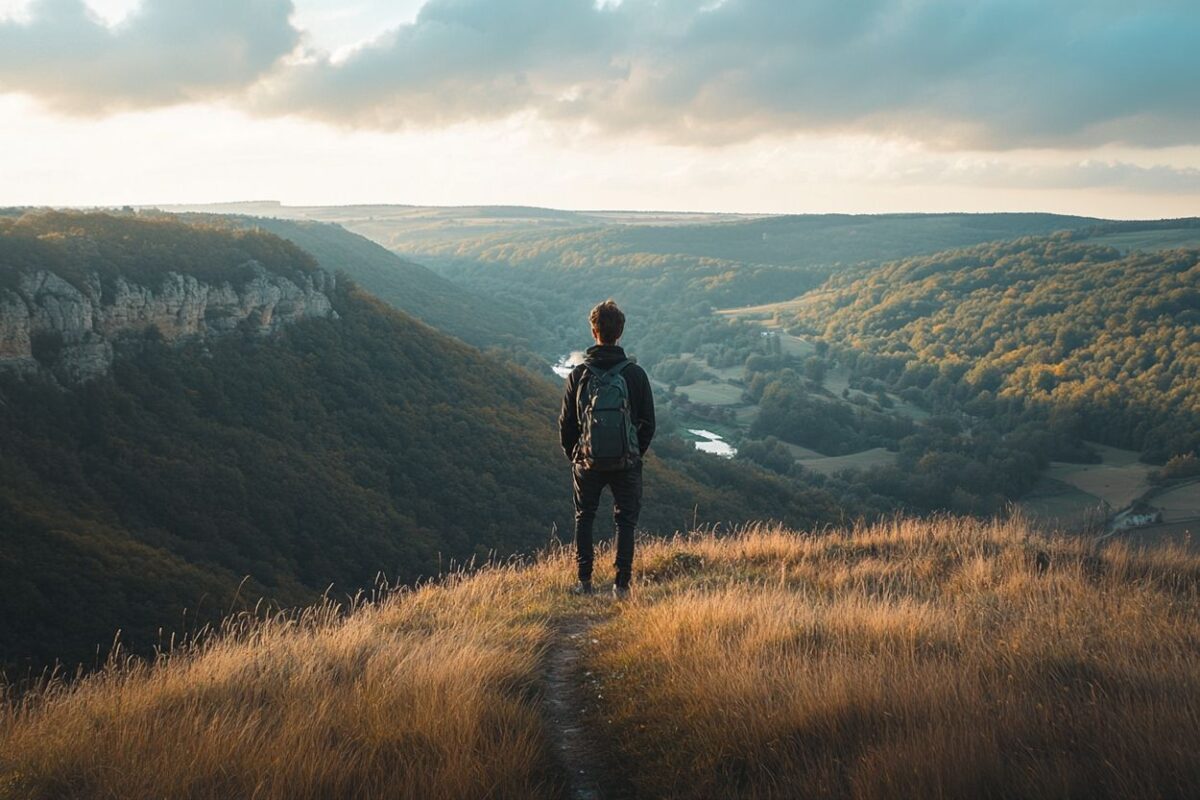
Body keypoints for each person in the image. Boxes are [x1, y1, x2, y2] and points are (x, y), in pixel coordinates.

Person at [559, 299, 655, 598]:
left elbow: (566, 425)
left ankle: (584, 582)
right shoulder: (635, 375)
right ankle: (622, 586)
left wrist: (576, 455)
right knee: (625, 520)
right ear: (620, 332)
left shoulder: (578, 374)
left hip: (587, 462)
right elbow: (648, 423)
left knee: (584, 517)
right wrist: (633, 452)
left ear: (594, 331)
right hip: (626, 462)